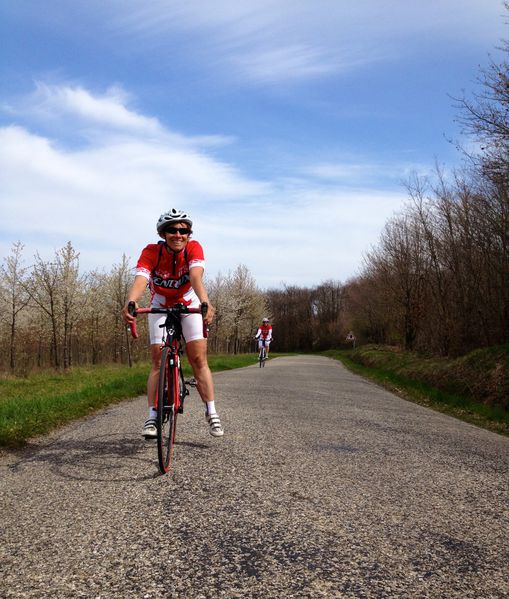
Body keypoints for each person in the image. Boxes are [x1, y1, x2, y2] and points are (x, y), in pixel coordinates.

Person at [122, 209, 223, 439]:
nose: (178, 234)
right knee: (157, 360)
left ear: (188, 233)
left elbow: (196, 277)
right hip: (160, 302)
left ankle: (211, 411)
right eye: (172, 230)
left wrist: (205, 302)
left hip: (189, 301)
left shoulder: (193, 248)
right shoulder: (151, 252)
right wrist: (131, 301)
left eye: (183, 230)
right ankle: (152, 414)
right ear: (163, 233)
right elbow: (141, 279)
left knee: (198, 358)